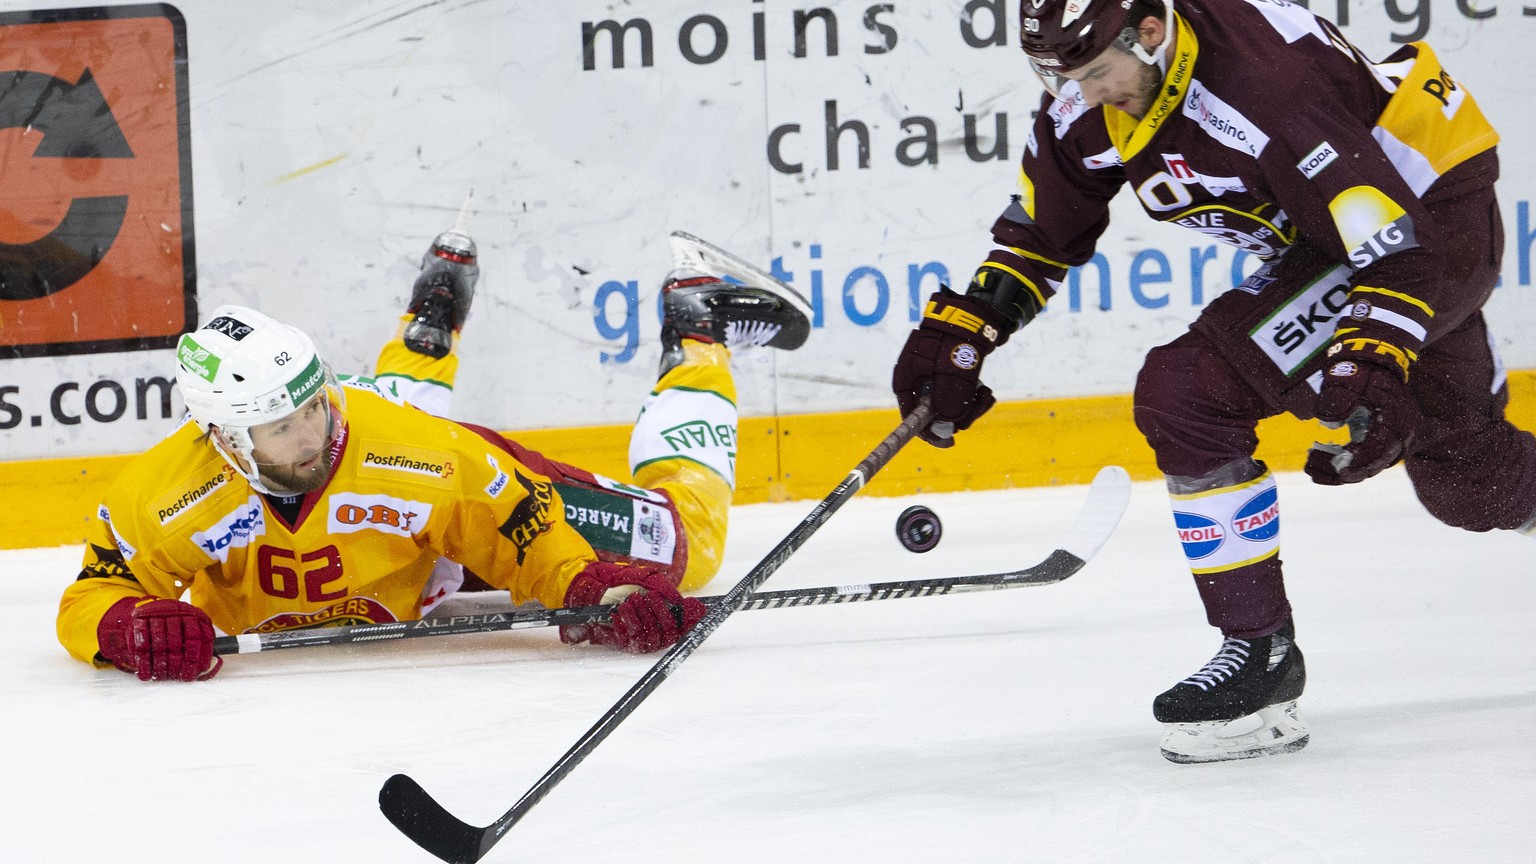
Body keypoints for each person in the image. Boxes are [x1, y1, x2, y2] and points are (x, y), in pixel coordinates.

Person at [891, 0, 1527, 762]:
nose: (1082, 94)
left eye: (1097, 73)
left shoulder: (1266, 88)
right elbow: (1041, 233)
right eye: (1062, 75)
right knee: (1471, 481)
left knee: (1187, 394)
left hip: (1425, 223)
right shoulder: (1094, 89)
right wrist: (964, 331)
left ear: (1150, 33)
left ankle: (1261, 660)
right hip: (1347, 235)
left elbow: (1393, 250)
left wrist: (1369, 358)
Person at [56, 225, 812, 682]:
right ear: (222, 439)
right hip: (409, 494)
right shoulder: (162, 493)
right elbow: (90, 597)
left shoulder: (417, 454)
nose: (311, 436)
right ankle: (432, 314)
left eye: (315, 408)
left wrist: (591, 586)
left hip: (453, 503)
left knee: (687, 546)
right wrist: (124, 627)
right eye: (281, 428)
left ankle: (698, 327)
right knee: (399, 430)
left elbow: (523, 524)